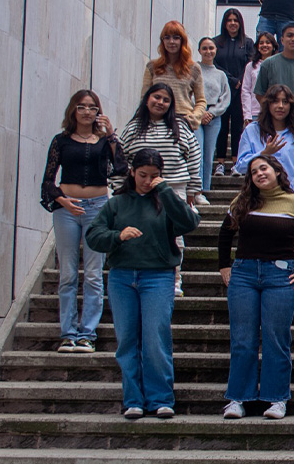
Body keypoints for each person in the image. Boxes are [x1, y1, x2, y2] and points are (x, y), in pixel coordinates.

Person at [86, 148, 201, 419]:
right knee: (127, 340)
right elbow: (94, 235)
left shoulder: (165, 199)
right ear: (132, 172)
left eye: (154, 176)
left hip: (158, 275)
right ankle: (133, 400)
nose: (148, 180)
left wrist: (167, 191)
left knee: (155, 337)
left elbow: (189, 222)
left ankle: (161, 398)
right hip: (122, 276)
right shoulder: (117, 202)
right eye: (143, 175)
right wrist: (118, 235)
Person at [218, 155, 294, 420]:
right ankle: (237, 399)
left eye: (263, 168)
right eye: (254, 171)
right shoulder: (241, 202)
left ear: (277, 171)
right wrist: (224, 266)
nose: (259, 174)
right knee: (243, 339)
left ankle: (276, 399)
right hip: (243, 274)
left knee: (277, 338)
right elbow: (224, 234)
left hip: (280, 275)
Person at [42, 90, 127, 354]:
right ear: (73, 111)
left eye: (92, 107)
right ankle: (68, 333)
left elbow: (122, 168)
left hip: (97, 207)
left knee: (93, 273)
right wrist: (62, 200)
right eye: (82, 107)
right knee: (67, 273)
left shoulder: (104, 142)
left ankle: (87, 334)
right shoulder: (61, 141)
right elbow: (47, 180)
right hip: (67, 207)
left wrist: (112, 135)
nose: (87, 112)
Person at [117, 83, 202, 298]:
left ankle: (175, 278)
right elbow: (121, 158)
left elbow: (193, 157)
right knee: (141, 231)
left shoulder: (180, 126)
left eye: (166, 100)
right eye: (157, 97)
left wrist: (193, 189)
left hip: (173, 187)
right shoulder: (133, 127)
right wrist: (123, 188)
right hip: (140, 190)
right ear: (147, 99)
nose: (160, 102)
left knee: (176, 235)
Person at [236, 85, 294, 196]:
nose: (280, 106)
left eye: (285, 102)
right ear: (268, 104)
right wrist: (263, 154)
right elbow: (240, 166)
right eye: (275, 101)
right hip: (260, 197)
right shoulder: (252, 131)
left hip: (293, 196)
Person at [142, 20, 206, 133]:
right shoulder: (152, 66)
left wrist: (194, 116)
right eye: (167, 37)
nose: (171, 41)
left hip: (182, 121)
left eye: (176, 37)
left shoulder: (194, 68)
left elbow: (201, 100)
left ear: (182, 41)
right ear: (162, 41)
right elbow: (144, 97)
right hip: (157, 121)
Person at [252, 23, 294, 127]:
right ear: (282, 40)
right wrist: (274, 112)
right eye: (290, 35)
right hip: (272, 126)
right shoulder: (268, 64)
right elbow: (260, 94)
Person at [213, 8, 254, 176]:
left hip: (240, 91)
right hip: (221, 91)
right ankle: (220, 162)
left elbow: (251, 63)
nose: (232, 23)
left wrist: (240, 81)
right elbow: (214, 64)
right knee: (222, 127)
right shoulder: (216, 42)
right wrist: (232, 79)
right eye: (229, 20)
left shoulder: (248, 42)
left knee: (237, 126)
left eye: (235, 20)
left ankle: (236, 161)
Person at [195, 37, 231, 201]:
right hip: (196, 116)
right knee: (198, 153)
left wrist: (213, 112)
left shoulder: (221, 74)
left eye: (211, 48)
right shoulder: (193, 70)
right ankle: (196, 190)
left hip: (214, 117)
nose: (208, 51)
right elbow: (187, 93)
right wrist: (199, 112)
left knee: (209, 155)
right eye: (205, 48)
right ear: (199, 51)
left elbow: (225, 97)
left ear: (215, 50)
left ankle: (206, 189)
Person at [241, 32, 277, 127]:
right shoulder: (251, 66)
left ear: (273, 46)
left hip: (276, 112)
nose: (264, 45)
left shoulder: (279, 65)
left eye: (268, 42)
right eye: (261, 43)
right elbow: (246, 90)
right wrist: (247, 114)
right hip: (255, 113)